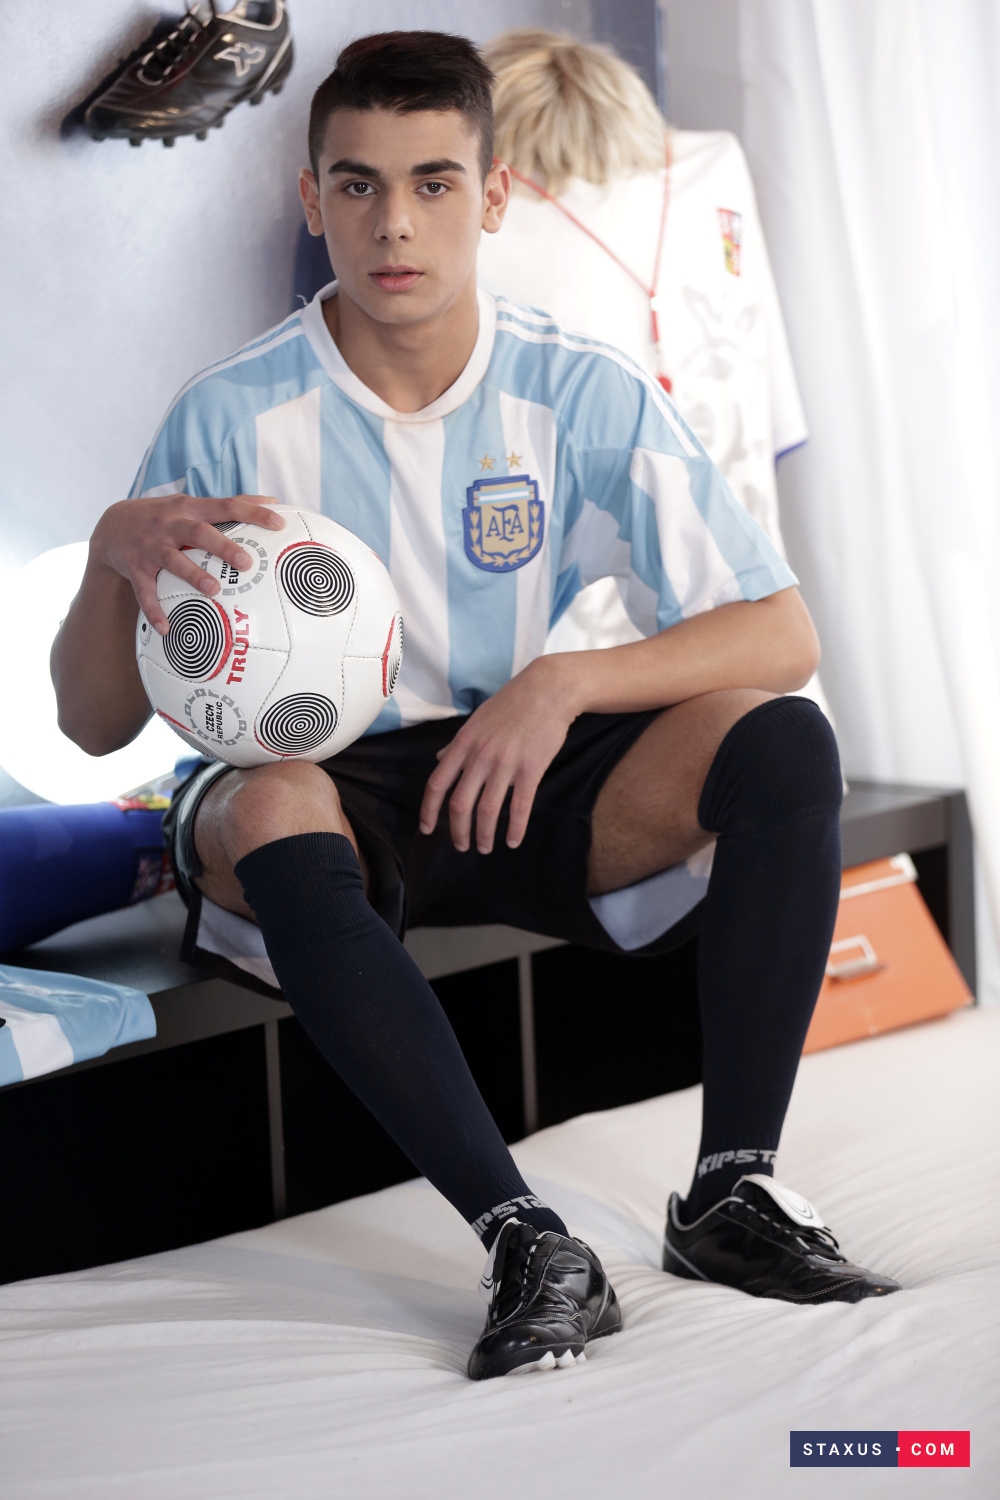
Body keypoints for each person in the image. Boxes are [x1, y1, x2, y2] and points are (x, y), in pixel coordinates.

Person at [51, 31, 898, 1382]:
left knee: (780, 739)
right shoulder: (229, 414)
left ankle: (731, 1192)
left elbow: (780, 632)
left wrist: (566, 680)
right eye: (359, 184)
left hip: (509, 763)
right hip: (320, 795)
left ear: (492, 196)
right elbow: (93, 725)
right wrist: (111, 549)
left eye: (434, 182)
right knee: (269, 801)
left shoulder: (580, 388)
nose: (394, 223)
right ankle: (524, 1238)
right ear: (312, 198)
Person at [477, 28, 830, 722]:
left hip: (583, 657)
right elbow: (774, 421)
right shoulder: (711, 170)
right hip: (745, 633)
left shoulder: (483, 225)